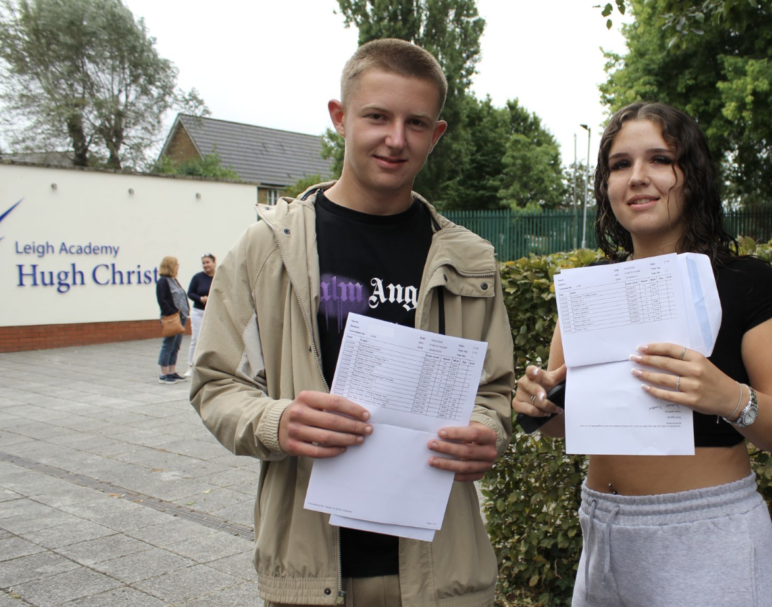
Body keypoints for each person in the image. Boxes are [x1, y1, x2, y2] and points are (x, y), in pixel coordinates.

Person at [190, 38, 514, 607]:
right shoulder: (268, 247)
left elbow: (493, 392)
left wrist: (487, 431)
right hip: (312, 573)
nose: (396, 139)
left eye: (416, 123)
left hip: (444, 572)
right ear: (340, 118)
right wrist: (277, 420)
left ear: (435, 135)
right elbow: (216, 384)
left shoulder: (471, 259)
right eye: (376, 117)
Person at [513, 102, 772, 606]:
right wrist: (540, 406)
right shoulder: (592, 290)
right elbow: (566, 422)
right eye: (619, 164)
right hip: (601, 536)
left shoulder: (747, 282)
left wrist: (729, 397)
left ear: (692, 175)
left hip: (706, 539)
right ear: (606, 186)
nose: (637, 178)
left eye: (659, 159)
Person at [155, 256, 189, 384]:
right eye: (176, 264)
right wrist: (173, 312)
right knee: (168, 344)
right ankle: (163, 374)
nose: (178, 267)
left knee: (176, 345)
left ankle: (172, 371)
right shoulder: (163, 281)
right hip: (172, 317)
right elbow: (162, 300)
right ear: (169, 265)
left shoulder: (173, 280)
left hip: (181, 316)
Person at [184, 253, 216, 377]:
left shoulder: (219, 276)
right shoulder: (197, 277)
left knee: (213, 339)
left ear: (214, 262)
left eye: (208, 262)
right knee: (196, 339)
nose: (205, 265)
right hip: (199, 312)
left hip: (213, 312)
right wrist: (200, 298)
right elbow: (190, 293)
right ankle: (191, 366)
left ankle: (211, 365)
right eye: (203, 263)